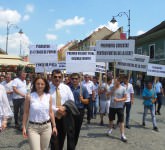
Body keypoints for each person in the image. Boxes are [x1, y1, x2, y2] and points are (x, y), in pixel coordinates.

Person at [22, 77, 57, 150]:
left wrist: (54, 126)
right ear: (34, 84)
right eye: (38, 84)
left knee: (44, 148)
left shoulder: (48, 96)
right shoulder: (29, 96)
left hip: (46, 127)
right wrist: (24, 127)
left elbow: (51, 112)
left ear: (45, 85)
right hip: (33, 128)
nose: (40, 86)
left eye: (42, 84)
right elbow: (26, 112)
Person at [50, 70, 75, 150]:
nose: (57, 78)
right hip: (52, 117)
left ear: (62, 78)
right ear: (51, 77)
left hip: (64, 117)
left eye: (59, 77)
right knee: (54, 140)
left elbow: (71, 101)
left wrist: (64, 108)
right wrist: (56, 110)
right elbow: (44, 102)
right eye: (55, 77)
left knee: (62, 138)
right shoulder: (46, 88)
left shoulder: (66, 88)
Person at [70, 73, 89, 146]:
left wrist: (82, 100)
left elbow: (87, 101)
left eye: (76, 78)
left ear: (79, 79)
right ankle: (70, 146)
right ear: (70, 79)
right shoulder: (68, 88)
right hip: (70, 111)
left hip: (79, 111)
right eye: (73, 79)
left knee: (77, 130)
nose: (74, 80)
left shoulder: (83, 88)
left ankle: (73, 145)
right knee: (70, 130)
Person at [107, 77, 127, 142]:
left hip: (120, 107)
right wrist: (112, 90)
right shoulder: (111, 87)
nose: (114, 83)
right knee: (111, 119)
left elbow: (125, 98)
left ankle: (122, 135)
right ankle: (110, 129)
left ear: (119, 81)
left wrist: (118, 100)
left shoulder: (123, 88)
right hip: (112, 106)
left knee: (121, 121)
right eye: (114, 82)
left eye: (116, 82)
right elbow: (107, 95)